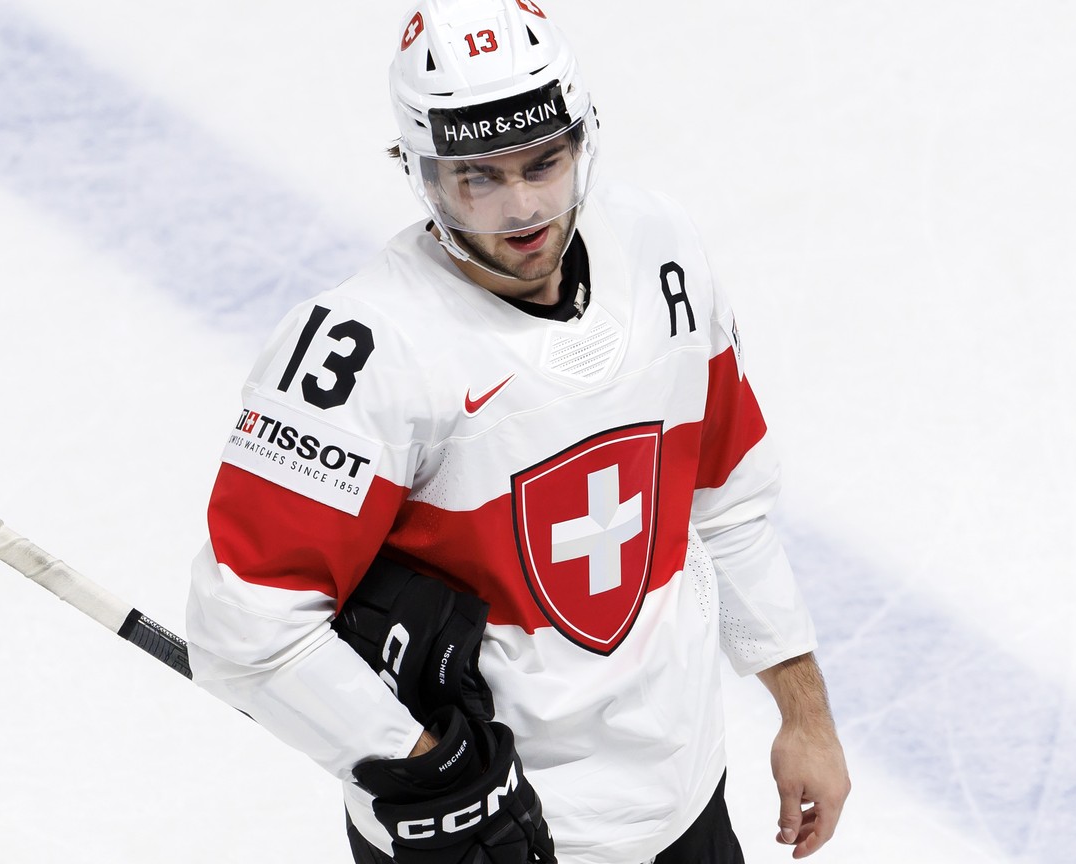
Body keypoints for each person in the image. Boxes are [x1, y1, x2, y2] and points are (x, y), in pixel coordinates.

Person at [185, 1, 851, 861]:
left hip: (686, 806)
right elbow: (246, 624)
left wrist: (804, 709)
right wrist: (424, 774)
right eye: (480, 179)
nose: (523, 207)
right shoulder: (367, 349)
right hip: (491, 841)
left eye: (545, 163)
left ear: (583, 138)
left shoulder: (659, 250)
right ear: (421, 173)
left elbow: (725, 502)